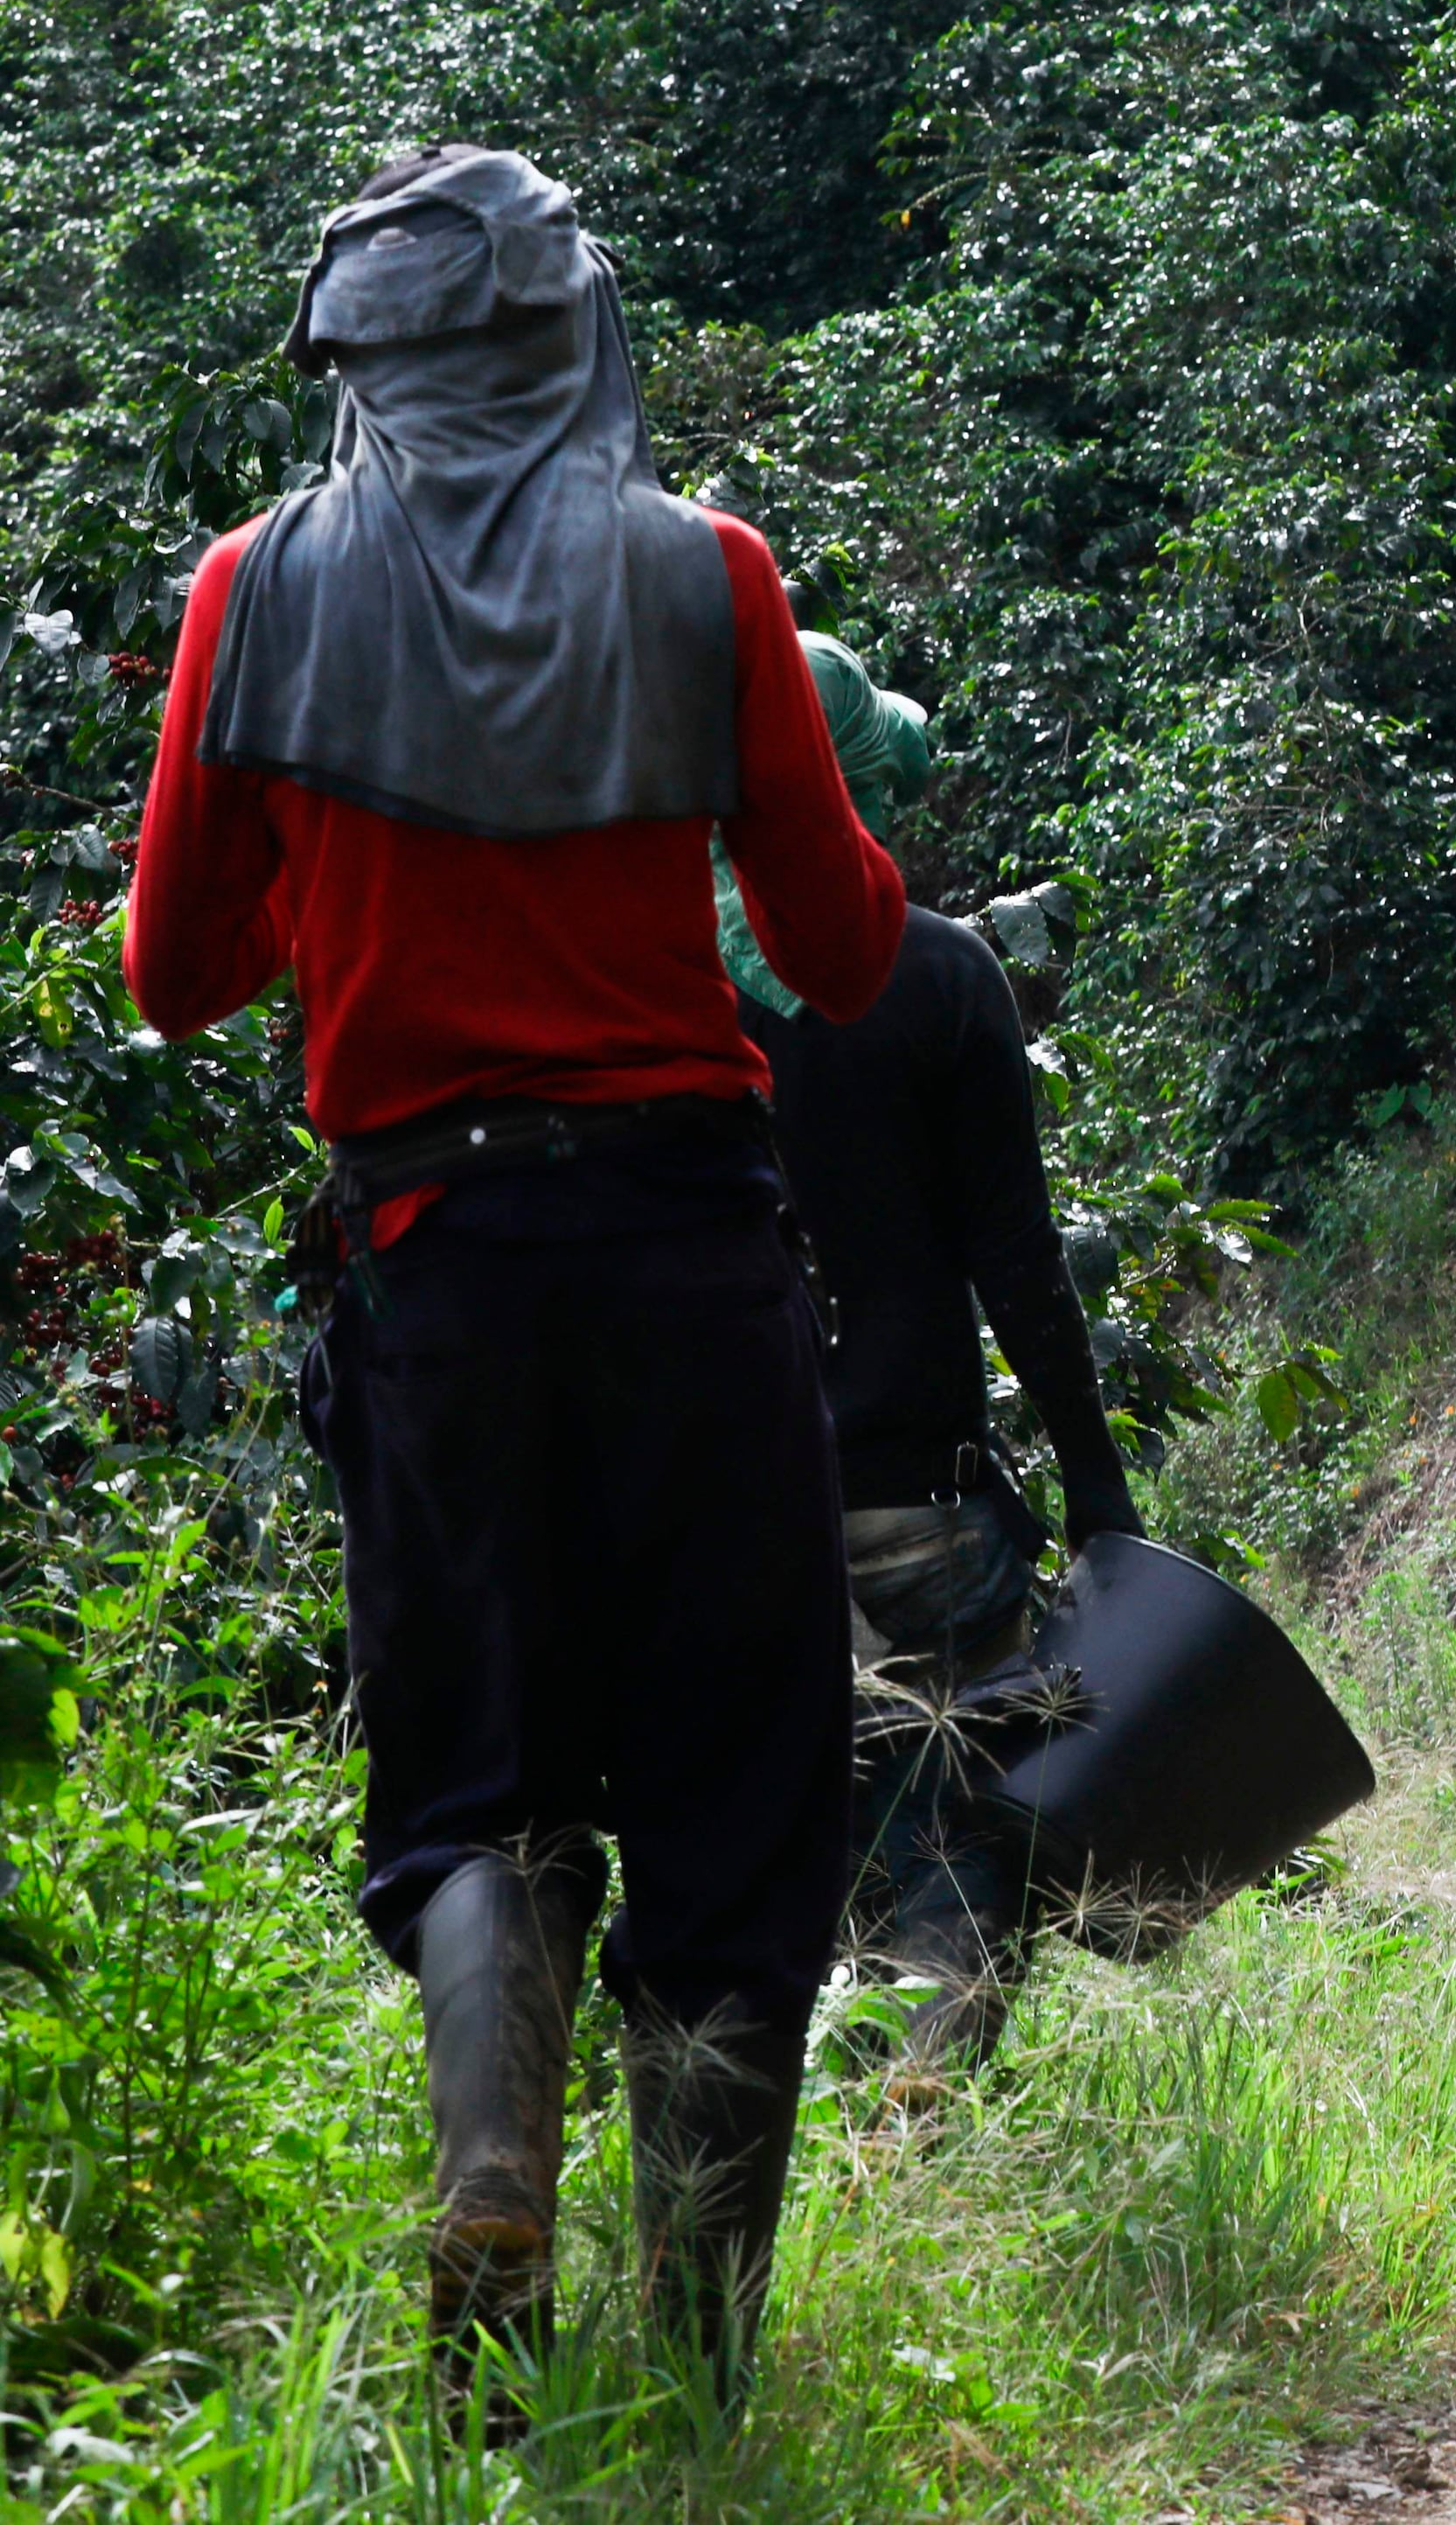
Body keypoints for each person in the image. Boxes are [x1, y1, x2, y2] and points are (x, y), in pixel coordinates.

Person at [123, 146, 904, 2417]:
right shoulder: (705, 574)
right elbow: (843, 951)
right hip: (689, 1260)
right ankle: (703, 2358)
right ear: (572, 338)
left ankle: (493, 2173)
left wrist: (348, 884)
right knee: (736, 1790)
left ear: (354, 358)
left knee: (475, 1775)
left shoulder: (254, 586)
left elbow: (174, 971)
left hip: (435, 1272)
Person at [730, 632, 1141, 2083]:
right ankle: (915, 2095)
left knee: (790, 1834)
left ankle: (823, 2112)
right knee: (968, 1815)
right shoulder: (944, 975)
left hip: (730, 1511)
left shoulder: (661, 983)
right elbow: (1017, 1264)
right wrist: (1095, 1481)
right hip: (923, 1502)